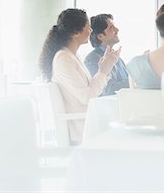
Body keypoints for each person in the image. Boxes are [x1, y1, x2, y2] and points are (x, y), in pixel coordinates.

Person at [39, 8, 120, 143]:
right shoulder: (63, 59)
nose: (91, 31)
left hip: (88, 122)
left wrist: (105, 69)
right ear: (76, 32)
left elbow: (89, 91)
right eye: (88, 27)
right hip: (81, 129)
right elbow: (87, 97)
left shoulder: (72, 56)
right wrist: (103, 72)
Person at [84, 14, 129, 96]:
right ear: (100, 36)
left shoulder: (117, 57)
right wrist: (135, 80)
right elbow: (109, 90)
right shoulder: (92, 59)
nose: (117, 30)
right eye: (112, 28)